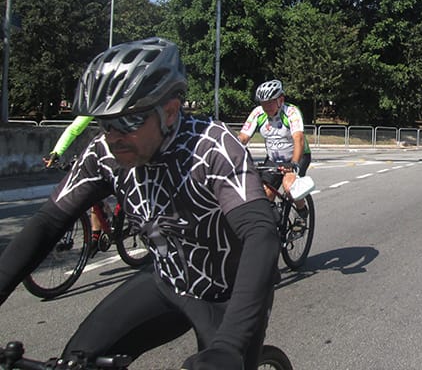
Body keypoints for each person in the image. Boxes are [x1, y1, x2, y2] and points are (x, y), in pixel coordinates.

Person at [0, 37, 279, 370]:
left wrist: (229, 346)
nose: (113, 137)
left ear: (170, 112)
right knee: (76, 359)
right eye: (105, 123)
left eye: (127, 122)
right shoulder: (103, 152)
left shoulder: (213, 146)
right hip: (165, 280)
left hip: (229, 294)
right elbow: (48, 223)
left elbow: (260, 233)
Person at [238, 79, 311, 215]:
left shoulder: (291, 112)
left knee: (290, 187)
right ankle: (274, 221)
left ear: (281, 100)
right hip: (274, 158)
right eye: (263, 103)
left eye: (270, 102)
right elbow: (243, 137)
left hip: (298, 156)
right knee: (264, 193)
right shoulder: (258, 113)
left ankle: (302, 212)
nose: (267, 106)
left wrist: (293, 164)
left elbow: (299, 139)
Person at [43, 115, 109, 255]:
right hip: (101, 152)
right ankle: (96, 236)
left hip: (127, 150)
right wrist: (56, 152)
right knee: (93, 194)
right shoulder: (97, 104)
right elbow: (74, 128)